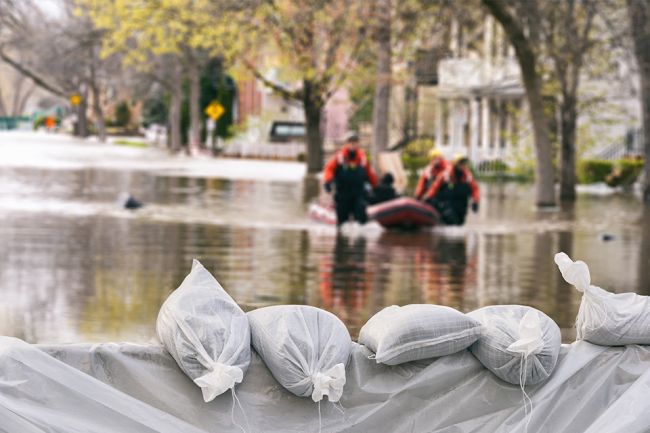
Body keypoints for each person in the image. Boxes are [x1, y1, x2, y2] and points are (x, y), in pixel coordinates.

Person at [323, 133, 378, 227]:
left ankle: (360, 238)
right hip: (343, 195)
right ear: (346, 144)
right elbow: (329, 170)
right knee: (342, 222)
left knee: (361, 218)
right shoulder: (339, 158)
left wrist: (376, 187)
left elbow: (370, 174)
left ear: (358, 144)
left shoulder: (362, 158)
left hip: (358, 194)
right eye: (351, 142)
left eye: (355, 142)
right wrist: (328, 181)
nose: (353, 144)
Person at [422, 155, 479, 225]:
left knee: (459, 224)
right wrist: (428, 197)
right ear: (455, 164)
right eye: (461, 163)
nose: (463, 165)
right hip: (447, 205)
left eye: (464, 163)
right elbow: (434, 187)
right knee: (451, 221)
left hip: (462, 206)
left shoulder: (468, 176)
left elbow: (475, 189)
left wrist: (475, 201)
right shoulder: (445, 175)